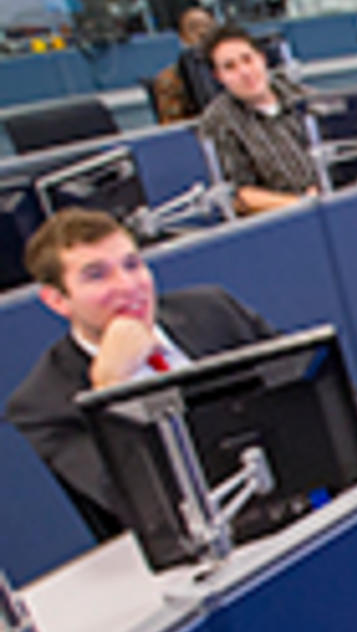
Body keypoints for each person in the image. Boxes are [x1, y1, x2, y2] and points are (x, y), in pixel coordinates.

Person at [6, 208, 276, 538]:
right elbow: (139, 505)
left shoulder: (215, 310)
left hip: (287, 493)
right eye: (96, 275)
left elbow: (316, 396)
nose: (128, 286)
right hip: (197, 543)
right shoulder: (43, 404)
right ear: (58, 301)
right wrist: (110, 389)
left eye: (133, 265)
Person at [194, 24, 317, 215]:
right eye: (230, 67)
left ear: (262, 58)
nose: (244, 72)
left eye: (248, 60)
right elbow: (238, 195)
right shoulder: (218, 122)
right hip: (283, 220)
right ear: (219, 77)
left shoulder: (302, 96)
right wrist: (304, 203)